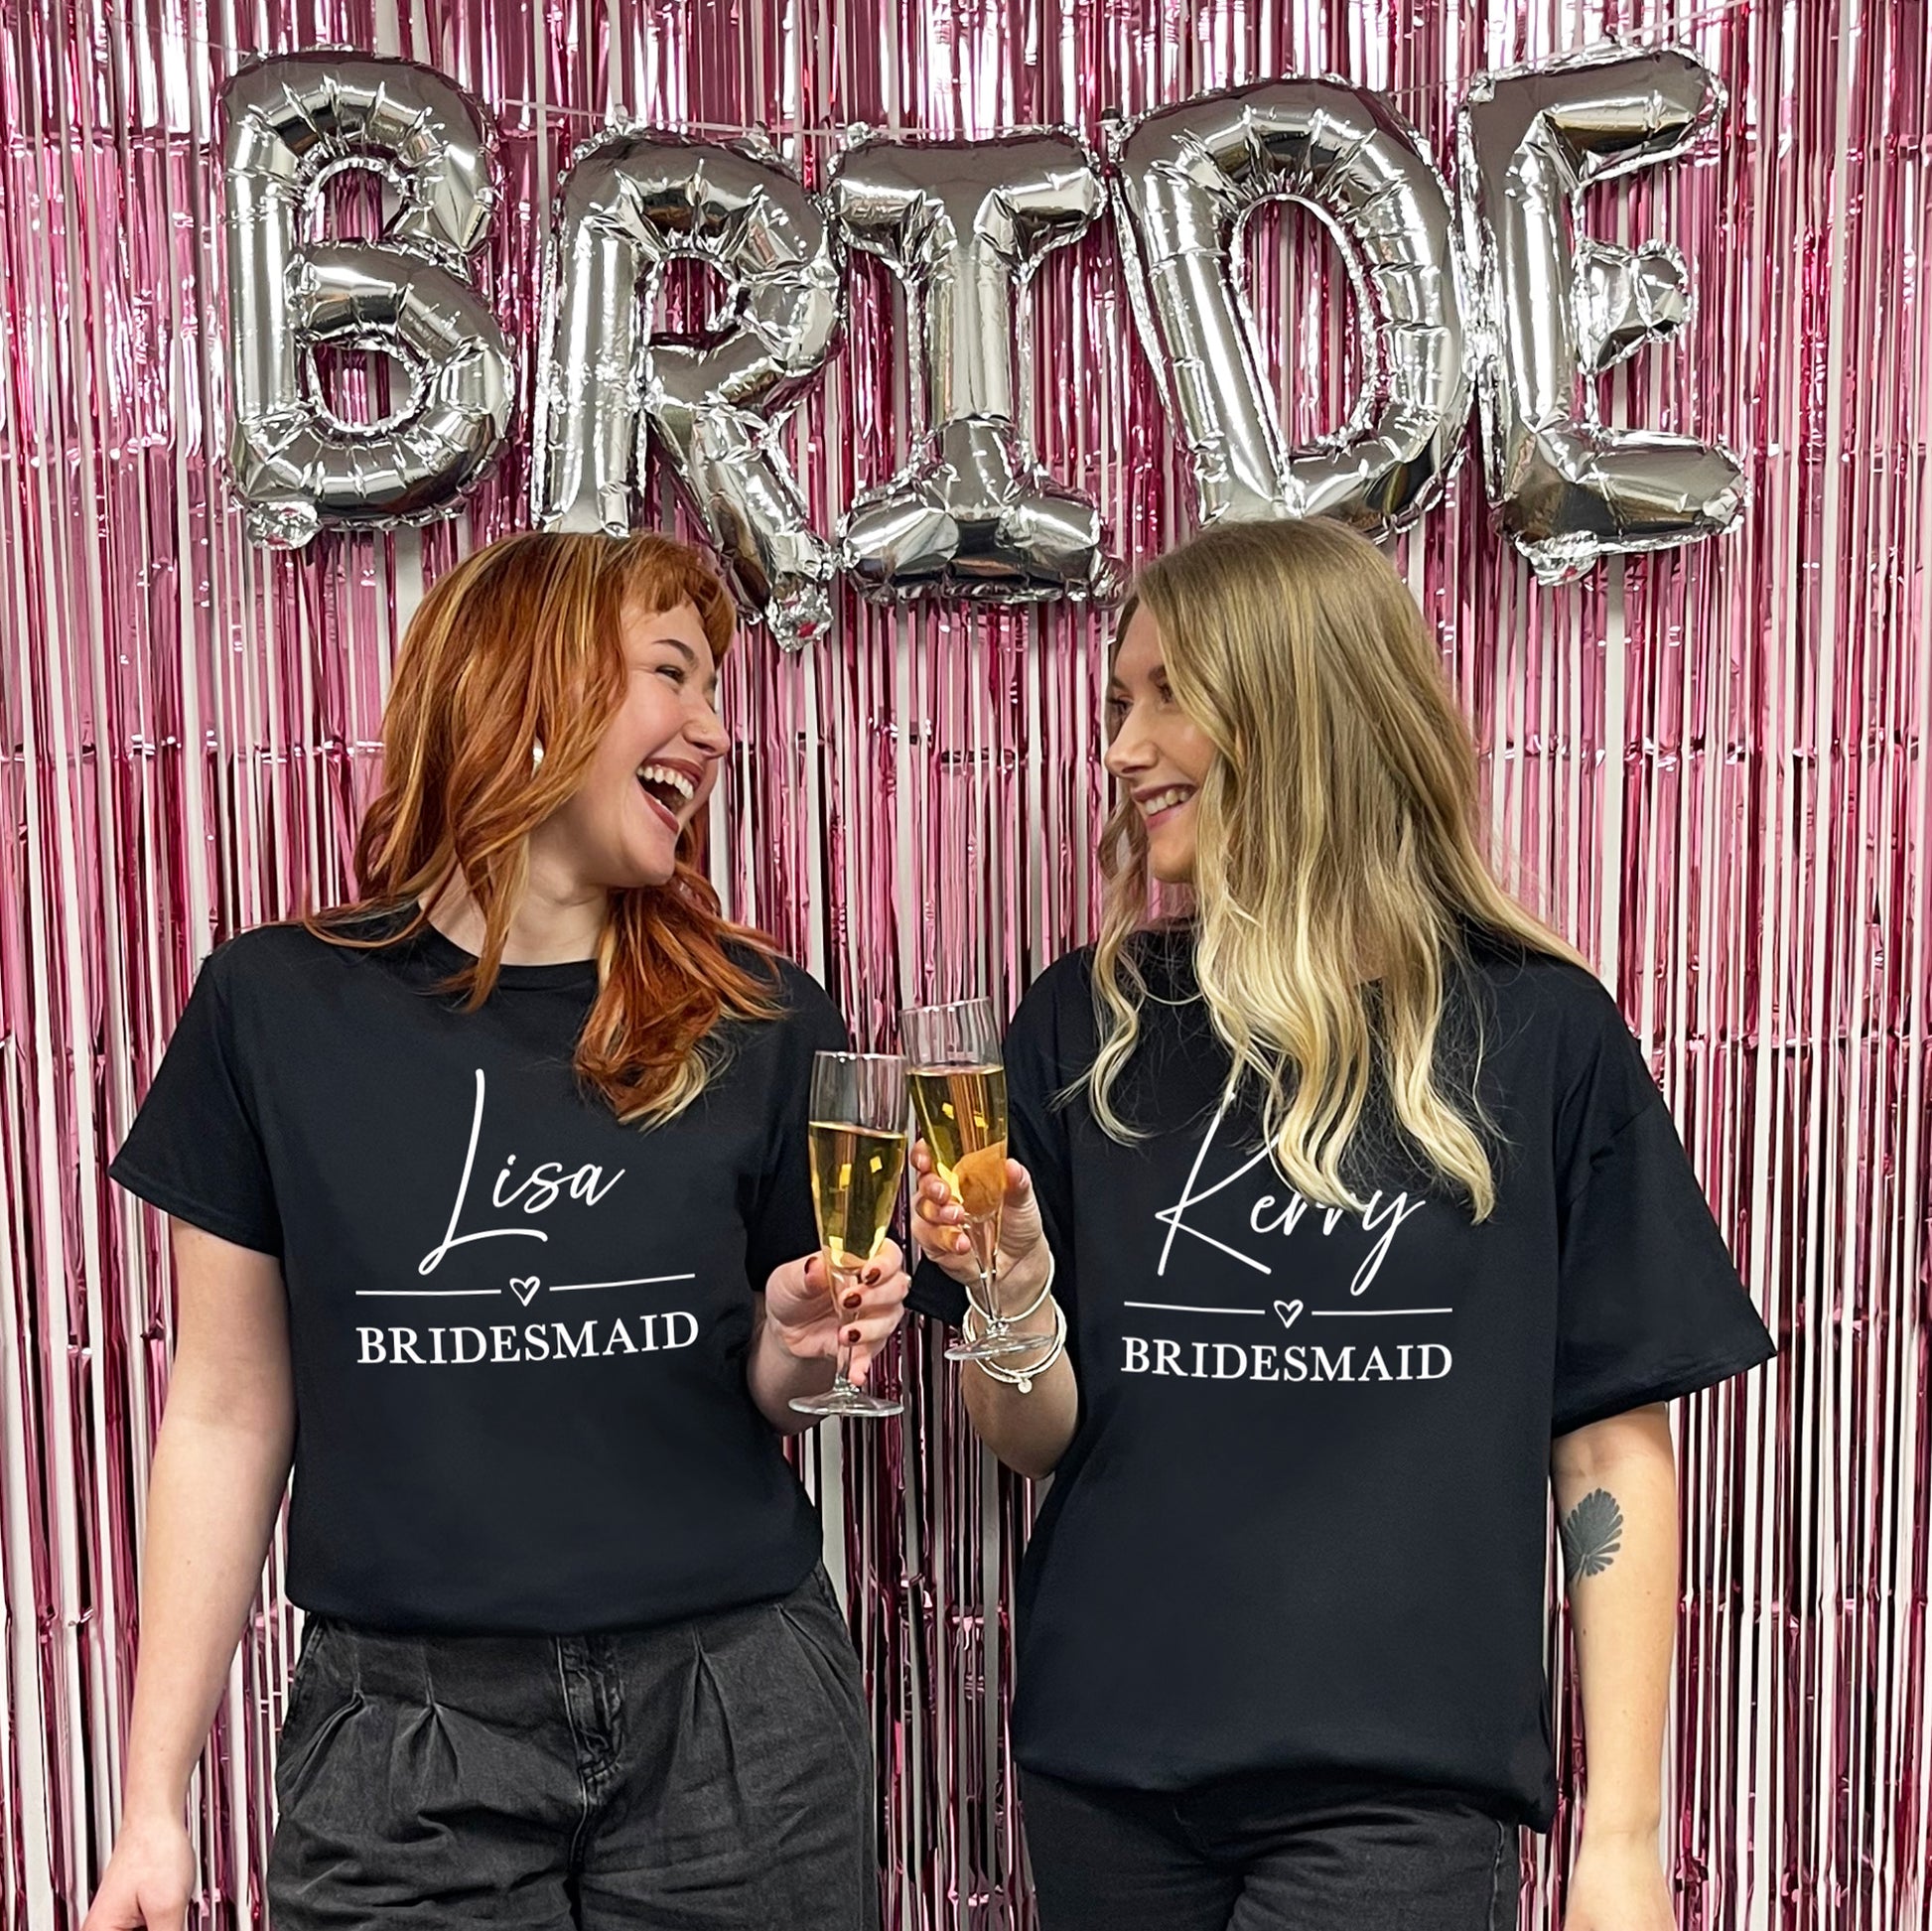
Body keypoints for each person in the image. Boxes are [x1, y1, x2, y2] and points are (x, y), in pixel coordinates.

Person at [909, 515, 1776, 1931]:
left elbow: (1610, 1441)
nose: (1122, 748)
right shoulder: (1083, 1018)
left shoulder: (1536, 1032)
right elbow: (1031, 1436)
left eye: (1163, 693)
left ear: (1298, 708)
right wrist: (1010, 1290)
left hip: (1395, 1800)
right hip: (1103, 1775)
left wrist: (1618, 1842)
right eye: (1117, 702)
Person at [86, 531, 907, 1931]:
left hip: (738, 1716)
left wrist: (800, 1346)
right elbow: (223, 1409)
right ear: (526, 685)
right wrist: (150, 1803)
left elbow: (795, 1385)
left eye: (717, 689)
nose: (712, 730)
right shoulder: (272, 1006)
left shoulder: (768, 1016)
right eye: (672, 674)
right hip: (404, 1739)